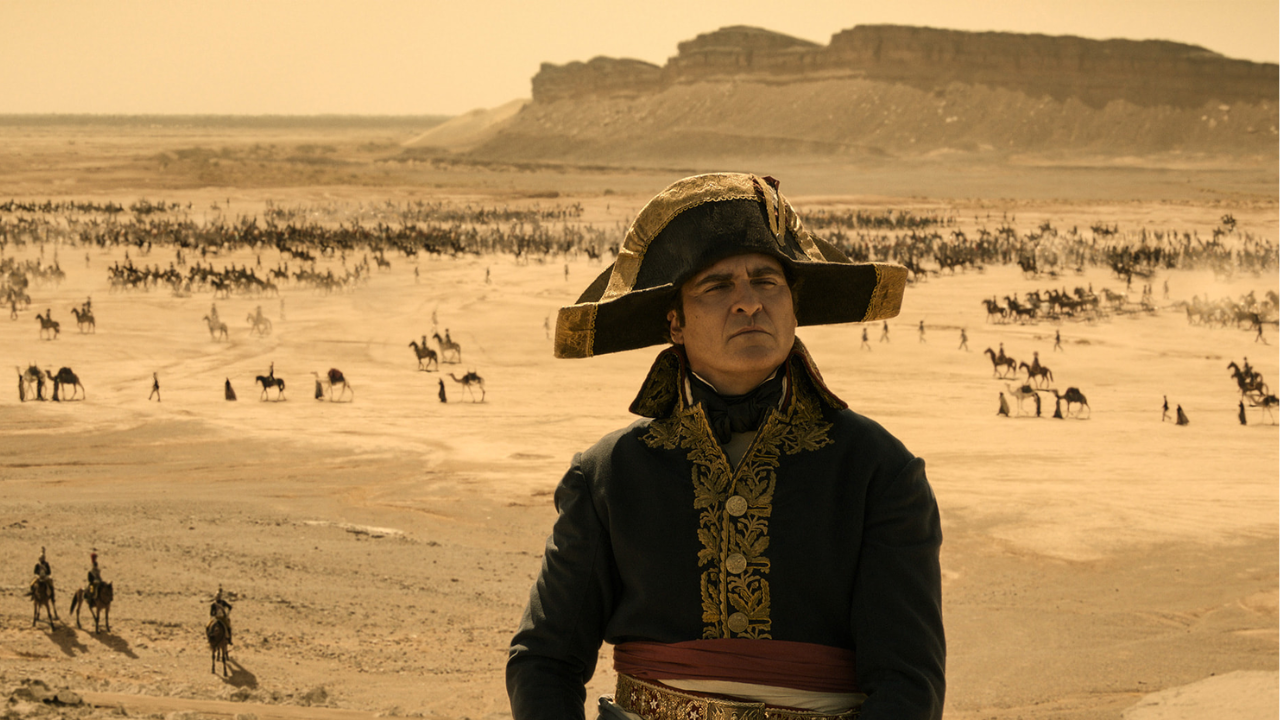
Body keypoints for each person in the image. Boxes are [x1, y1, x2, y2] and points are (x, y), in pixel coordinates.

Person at [508, 173, 944, 720]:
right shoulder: (608, 474)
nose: (749, 303)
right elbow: (543, 661)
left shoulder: (877, 468)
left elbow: (908, 685)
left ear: (793, 307)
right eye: (717, 287)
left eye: (767, 281)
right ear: (675, 323)